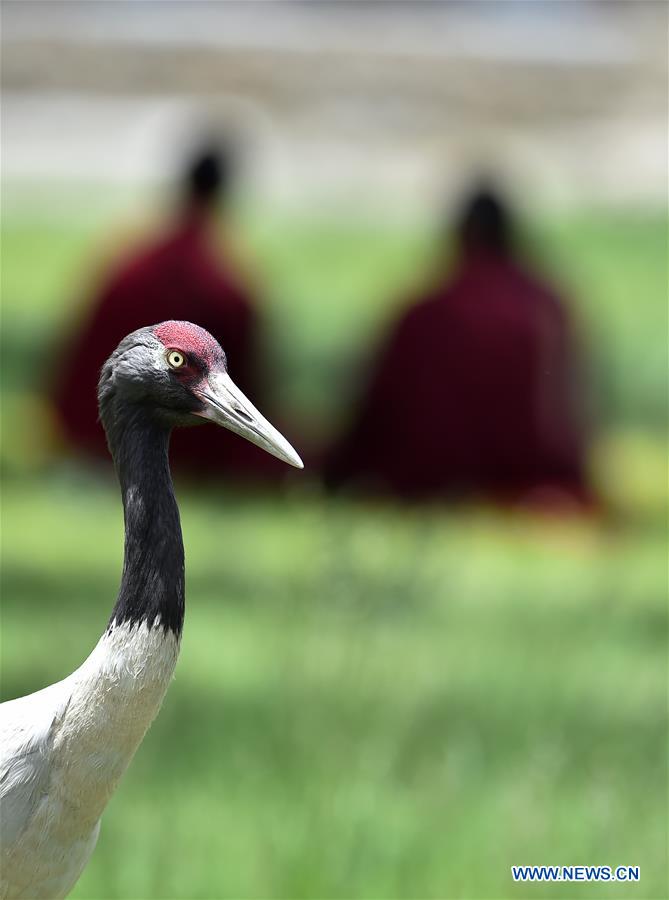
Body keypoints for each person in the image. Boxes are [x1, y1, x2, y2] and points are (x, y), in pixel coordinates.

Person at [324, 186, 593, 509]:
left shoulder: (427, 309)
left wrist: (338, 467)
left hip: (433, 473)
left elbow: (379, 407)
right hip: (529, 471)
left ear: (461, 236)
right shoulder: (547, 308)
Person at [53, 142, 284, 479]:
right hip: (182, 451)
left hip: (84, 435)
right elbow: (255, 384)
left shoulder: (126, 261)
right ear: (223, 195)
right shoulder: (227, 284)